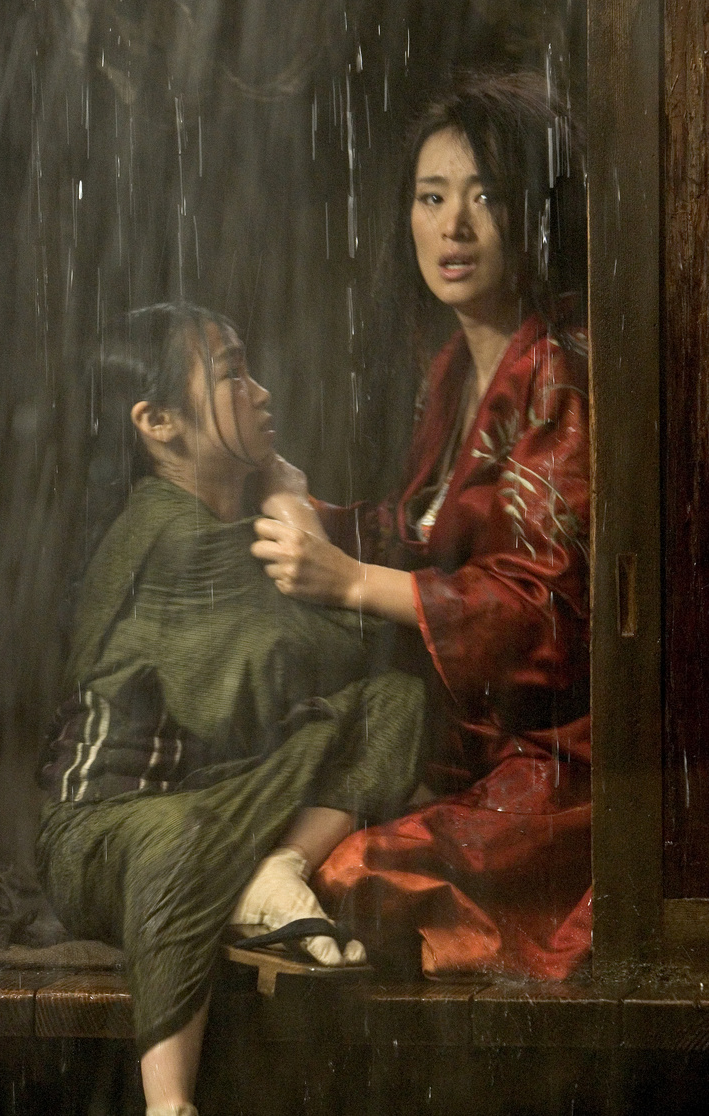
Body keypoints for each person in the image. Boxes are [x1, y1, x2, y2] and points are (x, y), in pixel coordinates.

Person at [36, 303, 427, 1116]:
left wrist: (297, 528)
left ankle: (276, 867)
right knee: (182, 836)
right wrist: (295, 509)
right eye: (231, 375)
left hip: (215, 800)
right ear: (159, 423)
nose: (260, 391)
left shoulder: (224, 527)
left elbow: (359, 664)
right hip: (103, 832)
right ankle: (169, 1104)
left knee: (394, 702)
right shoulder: (170, 534)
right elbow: (294, 664)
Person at [250, 71, 592, 981]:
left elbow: (541, 621)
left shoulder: (561, 373)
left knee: (354, 876)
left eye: (486, 197)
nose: (455, 228)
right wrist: (303, 509)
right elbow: (421, 531)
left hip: (557, 760)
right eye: (432, 197)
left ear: (537, 217)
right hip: (462, 737)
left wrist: (350, 580)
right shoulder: (455, 368)